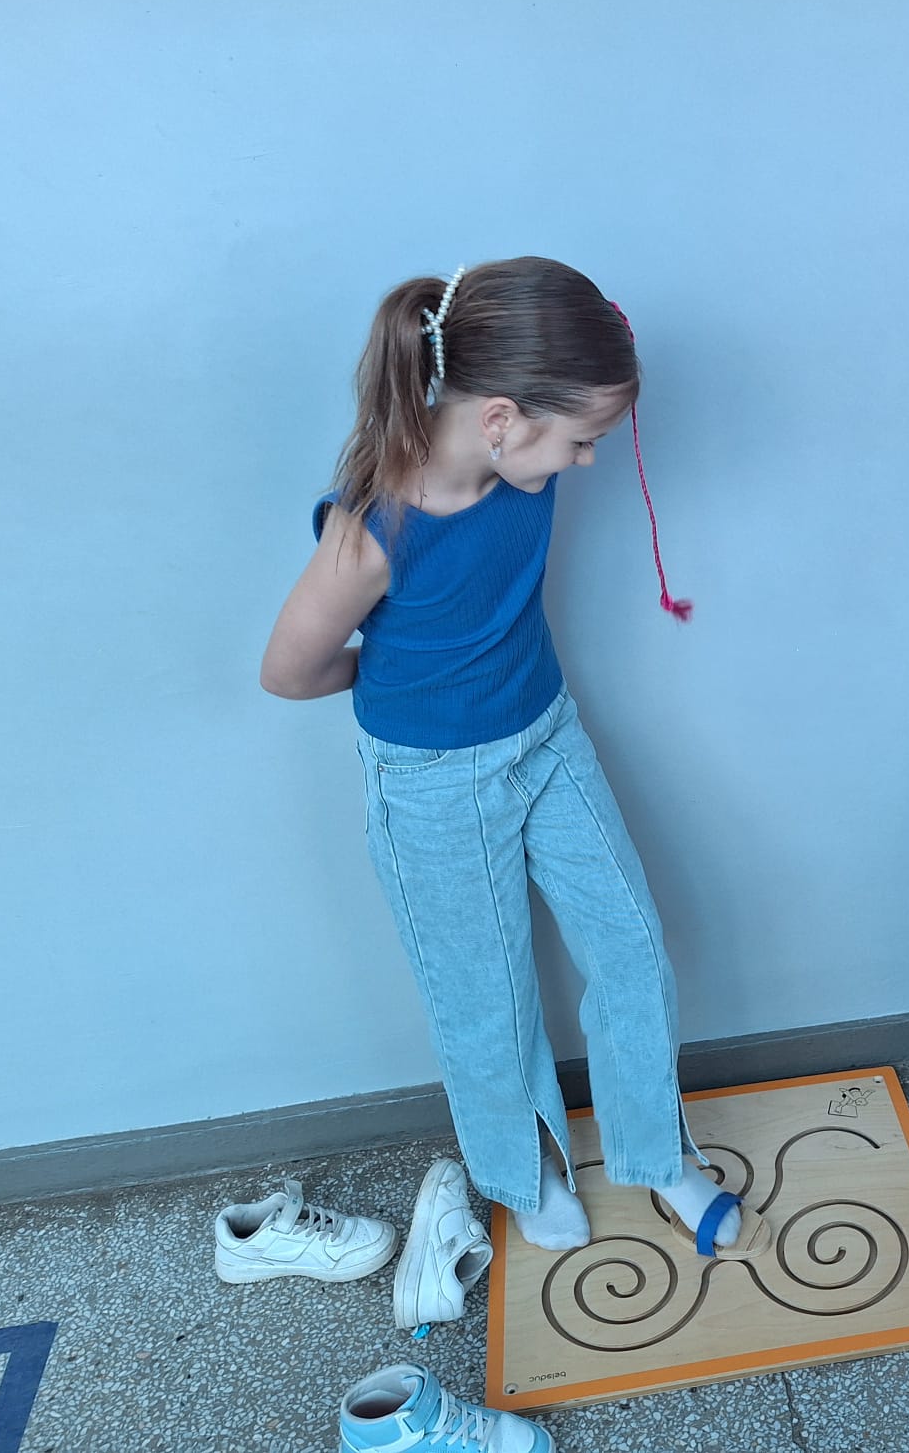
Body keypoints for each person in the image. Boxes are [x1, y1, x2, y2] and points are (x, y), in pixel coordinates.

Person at [261, 259, 748, 1262]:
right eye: (581, 441)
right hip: (432, 784)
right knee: (485, 1002)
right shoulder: (373, 532)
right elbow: (289, 670)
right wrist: (401, 681)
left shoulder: (521, 465)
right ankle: (522, 1176)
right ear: (500, 419)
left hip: (547, 740)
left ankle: (654, 1157)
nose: (588, 462)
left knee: (631, 950)